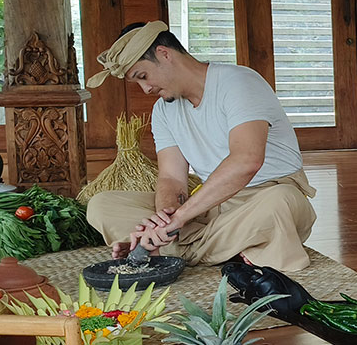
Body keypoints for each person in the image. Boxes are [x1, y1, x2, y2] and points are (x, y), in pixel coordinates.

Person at [84, 21, 317, 271]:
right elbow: (172, 178)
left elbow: (247, 161)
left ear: (164, 54)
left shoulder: (238, 83)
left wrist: (179, 220)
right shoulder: (164, 110)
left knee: (279, 204)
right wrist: (163, 224)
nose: (146, 88)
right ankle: (214, 249)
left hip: (265, 197)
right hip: (211, 207)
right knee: (102, 205)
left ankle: (178, 253)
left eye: (143, 76)